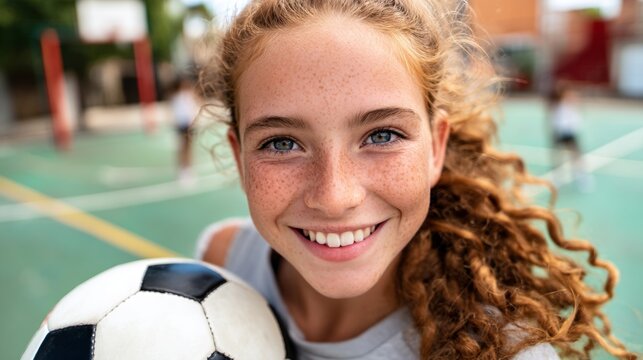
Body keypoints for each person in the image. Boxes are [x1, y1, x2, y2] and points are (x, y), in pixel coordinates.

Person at [195, 0, 634, 358]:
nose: (334, 197)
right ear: (240, 156)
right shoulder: (221, 263)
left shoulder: (502, 350)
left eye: (382, 135)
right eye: (281, 143)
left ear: (435, 148)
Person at [547, 82, 593, 191]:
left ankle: (581, 176)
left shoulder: (571, 102)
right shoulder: (556, 103)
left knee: (576, 155)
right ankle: (557, 177)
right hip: (559, 132)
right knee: (558, 156)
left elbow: (578, 106)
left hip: (570, 132)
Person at [170, 75, 200, 185]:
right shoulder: (177, 97)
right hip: (181, 125)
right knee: (182, 147)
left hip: (190, 125)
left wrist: (194, 122)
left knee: (189, 147)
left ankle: (189, 169)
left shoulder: (190, 96)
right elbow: (177, 112)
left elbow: (194, 110)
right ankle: (183, 169)